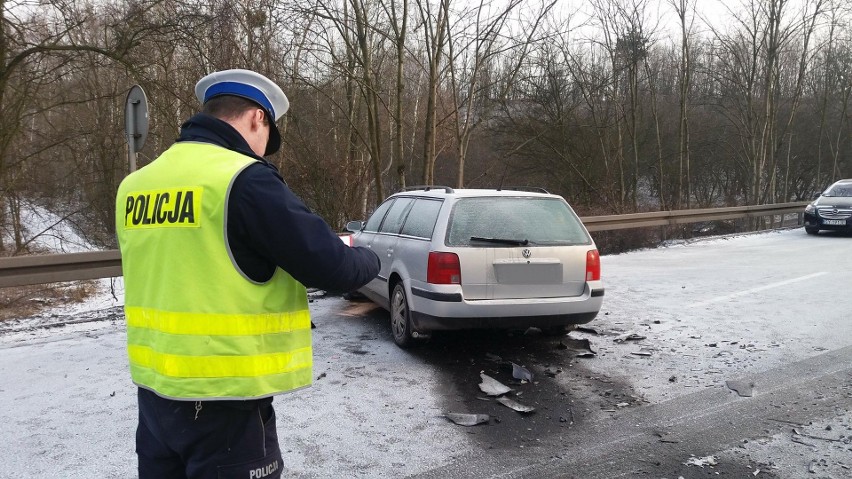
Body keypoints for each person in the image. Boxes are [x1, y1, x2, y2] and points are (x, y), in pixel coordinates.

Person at [115, 69, 380, 479]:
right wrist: (370, 257)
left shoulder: (137, 185)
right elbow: (335, 267)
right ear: (257, 117)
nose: (262, 153)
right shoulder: (243, 178)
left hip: (155, 397)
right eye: (266, 140)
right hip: (225, 401)